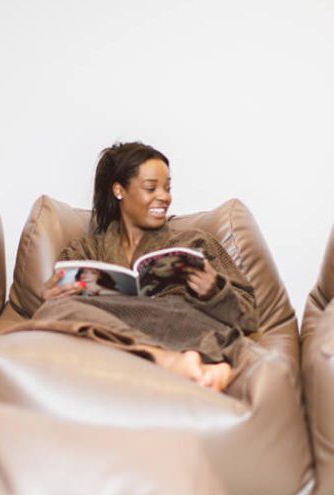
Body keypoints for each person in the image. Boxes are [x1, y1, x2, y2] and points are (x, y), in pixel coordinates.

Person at [38, 142, 258, 392]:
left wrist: (214, 292)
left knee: (223, 336)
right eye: (151, 188)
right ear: (119, 191)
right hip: (114, 329)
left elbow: (249, 316)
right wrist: (51, 298)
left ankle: (167, 360)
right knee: (54, 312)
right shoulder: (84, 251)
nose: (164, 197)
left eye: (167, 188)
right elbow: (63, 312)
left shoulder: (194, 243)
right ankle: (175, 362)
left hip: (175, 327)